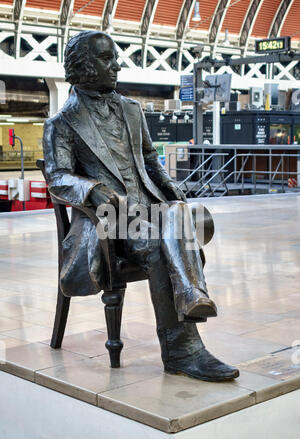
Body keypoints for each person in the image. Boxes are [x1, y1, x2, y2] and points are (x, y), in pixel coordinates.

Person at [43, 31, 239, 382]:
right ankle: (184, 349)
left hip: (151, 211)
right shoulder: (61, 124)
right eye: (106, 58)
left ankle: (190, 304)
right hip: (109, 223)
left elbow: (149, 159)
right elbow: (57, 176)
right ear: (84, 68)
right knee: (162, 243)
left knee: (176, 213)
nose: (116, 65)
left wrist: (169, 186)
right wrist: (91, 189)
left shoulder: (132, 110)